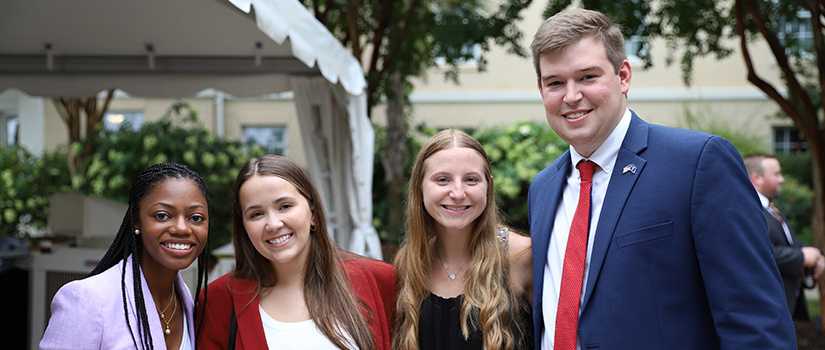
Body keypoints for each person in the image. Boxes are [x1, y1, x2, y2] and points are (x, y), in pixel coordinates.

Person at [527, 8, 796, 349]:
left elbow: (756, 320)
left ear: (624, 76)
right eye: (555, 83)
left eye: (587, 77)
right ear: (541, 89)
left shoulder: (698, 163)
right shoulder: (543, 188)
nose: (571, 96)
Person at [197, 154, 395, 350]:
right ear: (244, 227)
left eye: (285, 206)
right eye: (256, 214)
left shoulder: (379, 279)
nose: (273, 224)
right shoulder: (218, 301)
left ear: (313, 214)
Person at [40, 162, 213, 350]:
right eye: (162, 215)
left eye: (196, 218)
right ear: (136, 221)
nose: (181, 228)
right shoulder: (88, 301)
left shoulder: (185, 298)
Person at [393, 129, 533, 350]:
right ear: (419, 187)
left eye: (471, 180)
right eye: (442, 180)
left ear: (488, 186)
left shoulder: (521, 256)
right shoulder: (408, 263)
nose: (458, 193)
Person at [744, 153, 825, 319]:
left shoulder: (771, 208)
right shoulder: (749, 211)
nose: (781, 179)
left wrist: (815, 254)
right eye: (776, 174)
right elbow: (759, 252)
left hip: (787, 303)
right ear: (757, 178)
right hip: (767, 307)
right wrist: (801, 257)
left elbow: (790, 243)